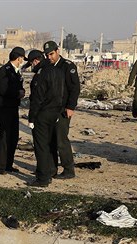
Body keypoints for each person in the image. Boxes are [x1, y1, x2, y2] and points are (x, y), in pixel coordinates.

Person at [26, 49, 65, 187]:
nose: (32, 65)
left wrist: (31, 118)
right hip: (55, 112)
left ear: (36, 60)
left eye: (32, 62)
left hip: (42, 114)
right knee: (49, 144)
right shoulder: (58, 71)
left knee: (41, 146)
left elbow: (37, 99)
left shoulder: (41, 75)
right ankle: (49, 172)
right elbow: (62, 94)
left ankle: (42, 178)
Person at [44, 40, 78, 180]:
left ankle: (68, 169)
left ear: (57, 51)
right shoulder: (47, 66)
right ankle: (52, 168)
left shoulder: (67, 66)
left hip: (63, 109)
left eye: (51, 54)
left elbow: (74, 88)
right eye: (47, 55)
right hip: (50, 108)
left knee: (61, 139)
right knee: (50, 139)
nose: (49, 57)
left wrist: (70, 107)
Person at [0, 47, 26, 174]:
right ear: (19, 58)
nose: (23, 61)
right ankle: (1, 166)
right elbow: (3, 89)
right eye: (22, 58)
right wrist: (18, 93)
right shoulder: (5, 70)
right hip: (4, 108)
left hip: (13, 107)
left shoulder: (16, 71)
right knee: (5, 136)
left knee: (14, 137)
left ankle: (9, 164)